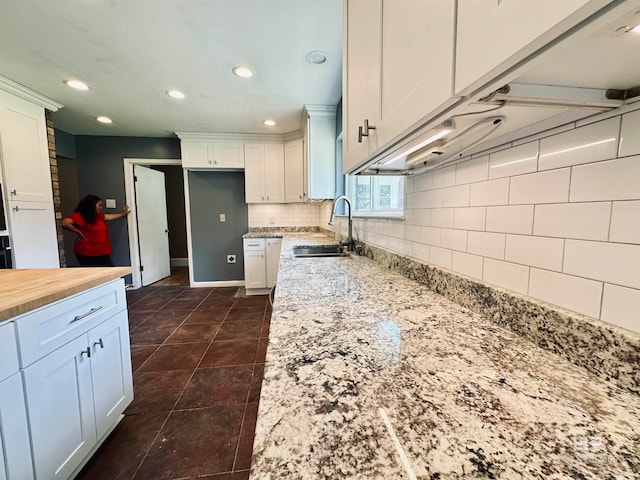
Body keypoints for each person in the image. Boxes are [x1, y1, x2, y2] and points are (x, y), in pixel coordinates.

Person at [62, 194, 130, 267]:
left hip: (102, 251)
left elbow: (109, 216)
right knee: (94, 274)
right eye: (99, 205)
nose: (101, 207)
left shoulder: (98, 216)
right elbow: (65, 223)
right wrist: (78, 232)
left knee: (109, 272)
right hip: (86, 251)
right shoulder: (80, 216)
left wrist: (122, 214)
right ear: (91, 206)